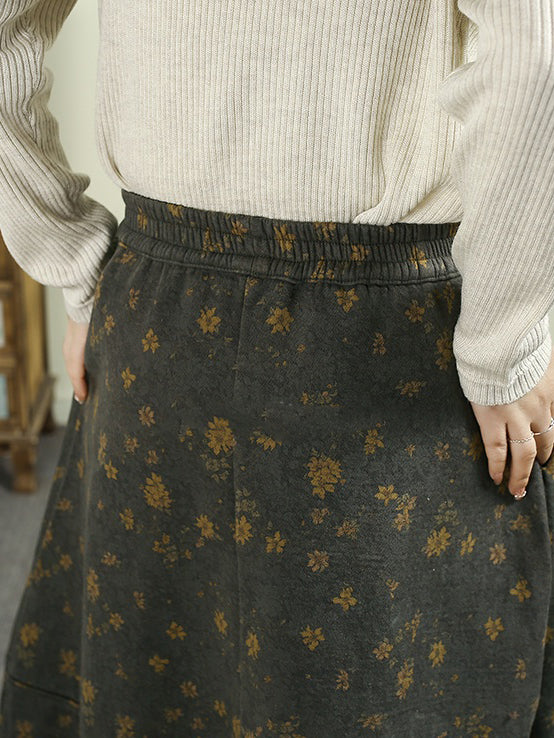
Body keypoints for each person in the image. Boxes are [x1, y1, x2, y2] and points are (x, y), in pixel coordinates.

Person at [0, 0, 553, 735]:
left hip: (159, 322)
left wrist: (72, 260)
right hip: (386, 344)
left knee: (156, 689)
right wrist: (501, 345)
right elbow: (534, 50)